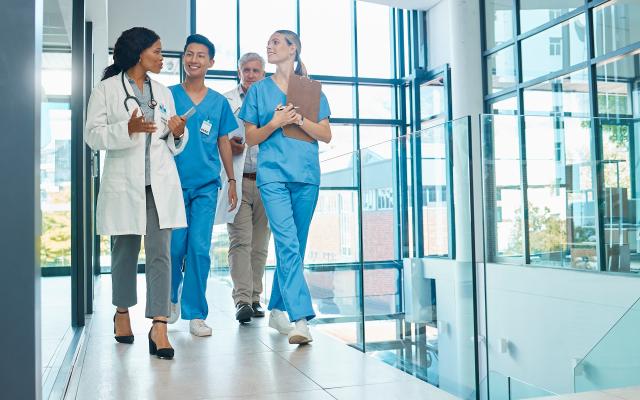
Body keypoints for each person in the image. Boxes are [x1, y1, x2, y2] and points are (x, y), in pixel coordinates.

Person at [85, 27, 188, 360]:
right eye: (157, 51)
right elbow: (92, 135)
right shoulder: (106, 90)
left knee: (161, 253)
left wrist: (177, 133)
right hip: (124, 183)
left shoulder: (163, 92)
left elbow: (172, 145)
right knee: (125, 253)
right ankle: (122, 312)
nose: (162, 57)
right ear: (138, 52)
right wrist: (125, 129)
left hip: (158, 184)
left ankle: (159, 325)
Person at [239, 30, 332, 344]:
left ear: (293, 49)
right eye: (269, 42)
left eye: (277, 41)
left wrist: (299, 121)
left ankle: (278, 307)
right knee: (288, 245)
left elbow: (325, 134)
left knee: (296, 247)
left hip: (306, 176)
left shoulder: (310, 89)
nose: (270, 45)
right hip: (273, 176)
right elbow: (251, 137)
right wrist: (275, 124)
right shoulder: (258, 91)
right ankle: (300, 319)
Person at [167, 34, 238, 337]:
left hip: (207, 186)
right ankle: (169, 301)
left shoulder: (219, 103)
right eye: (189, 54)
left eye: (200, 55)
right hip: (171, 184)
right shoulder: (168, 95)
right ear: (183, 58)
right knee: (173, 248)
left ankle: (195, 313)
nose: (193, 60)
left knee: (199, 248)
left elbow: (223, 141)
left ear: (211, 62)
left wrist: (232, 180)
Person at [214, 53, 271, 324]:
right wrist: (227, 145)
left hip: (267, 183)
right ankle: (242, 301)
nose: (250, 74)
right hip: (238, 180)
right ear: (239, 72)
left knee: (260, 245)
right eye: (246, 70)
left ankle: (256, 298)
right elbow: (215, 139)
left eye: (256, 70)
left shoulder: (274, 100)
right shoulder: (226, 101)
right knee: (240, 242)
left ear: (264, 73)